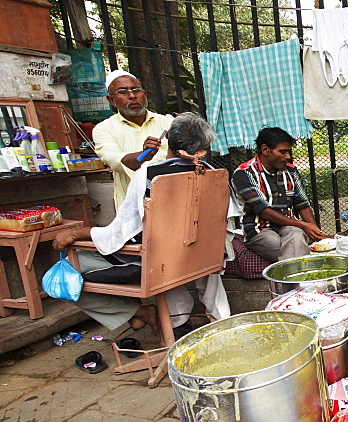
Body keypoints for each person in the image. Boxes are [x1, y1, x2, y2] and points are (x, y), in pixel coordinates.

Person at [53, 113, 231, 337]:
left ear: (169, 140)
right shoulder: (214, 175)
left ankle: (142, 313)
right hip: (200, 257)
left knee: (62, 271)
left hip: (158, 263)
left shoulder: (151, 175)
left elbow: (119, 233)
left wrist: (77, 233)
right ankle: (200, 320)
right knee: (174, 245)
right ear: (203, 147)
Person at [230, 127, 325, 263]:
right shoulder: (245, 173)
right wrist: (303, 226)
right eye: (283, 152)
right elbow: (262, 210)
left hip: (291, 228)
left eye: (289, 152)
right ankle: (302, 278)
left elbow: (302, 203)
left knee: (296, 235)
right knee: (292, 246)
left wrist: (316, 233)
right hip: (260, 231)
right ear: (265, 150)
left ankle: (293, 282)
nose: (288, 157)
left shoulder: (291, 171)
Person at [92, 70, 174, 209]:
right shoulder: (104, 129)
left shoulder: (167, 122)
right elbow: (119, 162)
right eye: (122, 92)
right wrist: (144, 156)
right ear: (111, 100)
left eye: (135, 90)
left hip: (173, 200)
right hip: (134, 209)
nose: (132, 96)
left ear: (144, 94)